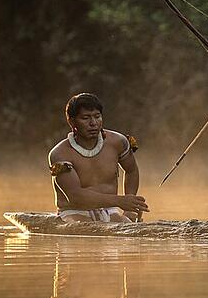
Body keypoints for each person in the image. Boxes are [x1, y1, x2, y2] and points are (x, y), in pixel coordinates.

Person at [48, 93, 149, 222]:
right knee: (81, 227)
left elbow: (131, 170)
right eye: (85, 118)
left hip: (110, 210)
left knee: (126, 226)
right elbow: (75, 197)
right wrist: (120, 201)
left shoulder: (118, 142)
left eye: (97, 116)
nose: (93, 123)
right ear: (72, 121)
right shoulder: (60, 154)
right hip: (73, 212)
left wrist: (129, 209)